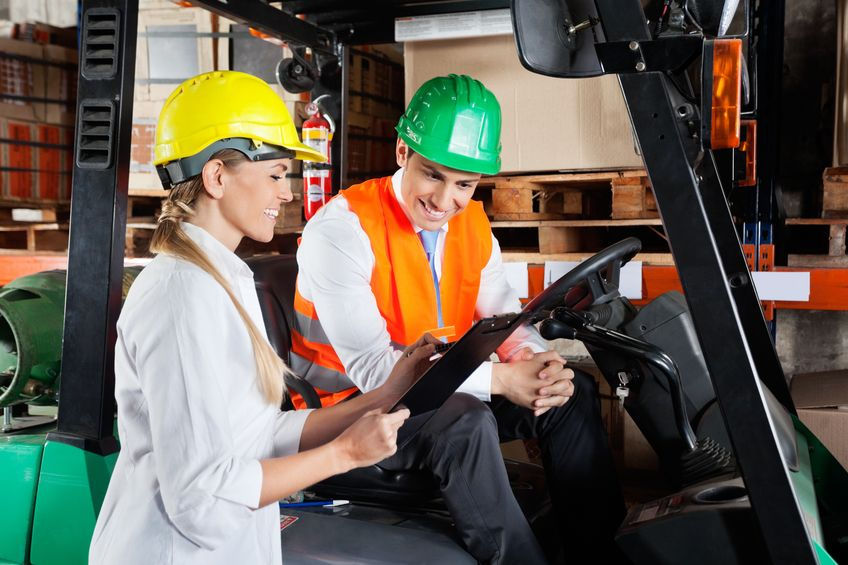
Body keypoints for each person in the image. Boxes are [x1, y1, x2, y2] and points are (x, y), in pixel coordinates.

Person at [88, 70, 436, 565]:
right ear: (216, 177)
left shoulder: (222, 278)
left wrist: (386, 393)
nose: (288, 193)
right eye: (276, 174)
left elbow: (257, 434)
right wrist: (343, 455)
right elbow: (201, 498)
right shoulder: (181, 297)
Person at [294, 74, 627, 563]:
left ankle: (599, 554)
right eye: (433, 173)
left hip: (439, 388)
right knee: (465, 423)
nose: (444, 199)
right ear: (403, 153)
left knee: (568, 395)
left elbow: (501, 315)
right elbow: (372, 370)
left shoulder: (469, 223)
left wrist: (534, 362)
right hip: (352, 407)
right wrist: (500, 381)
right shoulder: (342, 230)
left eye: (464, 183)